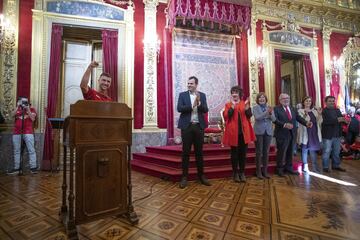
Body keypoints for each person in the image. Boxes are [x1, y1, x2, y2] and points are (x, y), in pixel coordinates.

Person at [177, 76, 210, 188]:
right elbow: (179, 108)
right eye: (188, 83)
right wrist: (192, 106)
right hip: (187, 127)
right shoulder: (182, 95)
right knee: (185, 153)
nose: (189, 85)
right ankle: (184, 177)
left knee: (199, 153)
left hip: (198, 127)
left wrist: (199, 104)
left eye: (191, 83)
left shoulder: (202, 95)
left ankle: (201, 176)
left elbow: (205, 110)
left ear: (196, 84)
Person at [273, 93, 311, 177]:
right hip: (281, 134)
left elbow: (298, 118)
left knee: (290, 152)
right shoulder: (276, 109)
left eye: (287, 98)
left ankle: (289, 168)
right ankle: (279, 169)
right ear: (280, 100)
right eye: (284, 98)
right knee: (281, 153)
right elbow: (275, 120)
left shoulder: (292, 108)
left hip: (292, 134)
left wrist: (306, 123)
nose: (286, 100)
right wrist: (284, 124)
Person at [223, 86, 256, 182]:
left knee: (243, 154)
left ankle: (242, 172)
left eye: (236, 92)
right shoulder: (228, 104)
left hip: (244, 133)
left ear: (239, 94)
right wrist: (232, 107)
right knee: (234, 154)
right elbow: (226, 116)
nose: (234, 94)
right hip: (233, 133)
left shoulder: (244, 103)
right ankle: (235, 173)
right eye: (233, 92)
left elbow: (249, 115)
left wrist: (247, 108)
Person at [9, 97, 37, 174]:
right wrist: (17, 106)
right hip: (17, 132)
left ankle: (33, 168)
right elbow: (11, 115)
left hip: (28, 132)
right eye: (23, 101)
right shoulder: (17, 109)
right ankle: (17, 168)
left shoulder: (32, 109)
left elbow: (33, 119)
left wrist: (27, 109)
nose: (24, 103)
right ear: (19, 101)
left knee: (31, 150)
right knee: (17, 151)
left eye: (26, 101)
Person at [321, 95, 348, 172]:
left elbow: (341, 120)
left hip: (337, 135)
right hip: (327, 135)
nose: (332, 102)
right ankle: (325, 167)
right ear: (325, 102)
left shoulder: (337, 110)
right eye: (330, 101)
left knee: (337, 152)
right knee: (327, 151)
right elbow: (325, 122)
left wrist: (345, 121)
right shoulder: (324, 111)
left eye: (333, 101)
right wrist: (337, 120)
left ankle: (335, 165)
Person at [252, 92, 275, 179]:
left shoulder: (269, 108)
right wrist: (266, 112)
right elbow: (257, 118)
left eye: (263, 98)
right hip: (258, 132)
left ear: (266, 99)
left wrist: (270, 113)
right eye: (260, 98)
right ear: (258, 100)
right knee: (259, 152)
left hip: (268, 132)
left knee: (266, 152)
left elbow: (274, 119)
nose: (262, 99)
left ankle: (265, 171)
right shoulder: (255, 108)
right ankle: (258, 172)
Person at [297, 96, 322, 173]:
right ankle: (305, 167)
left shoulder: (314, 111)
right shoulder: (300, 111)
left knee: (313, 150)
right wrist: (305, 114)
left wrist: (319, 114)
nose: (308, 102)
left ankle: (314, 167)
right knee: (304, 150)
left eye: (309, 101)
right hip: (306, 132)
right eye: (306, 101)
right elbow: (301, 120)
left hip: (314, 132)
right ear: (303, 102)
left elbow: (319, 122)